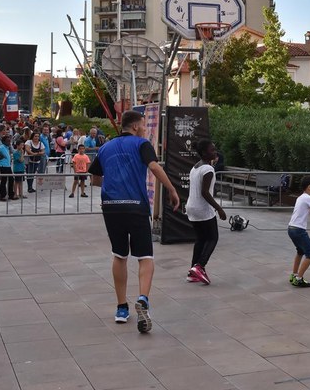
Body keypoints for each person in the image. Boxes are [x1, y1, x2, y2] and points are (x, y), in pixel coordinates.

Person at [88, 110, 179, 333]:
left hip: (111, 207)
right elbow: (155, 167)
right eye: (143, 125)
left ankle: (121, 308)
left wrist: (115, 184)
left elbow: (95, 179)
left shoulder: (105, 147)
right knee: (145, 257)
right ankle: (143, 298)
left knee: (119, 254)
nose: (145, 129)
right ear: (136, 126)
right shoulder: (141, 144)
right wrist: (171, 189)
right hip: (135, 206)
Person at [184, 139, 227, 285]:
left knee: (201, 239)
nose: (215, 152)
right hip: (202, 209)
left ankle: (192, 272)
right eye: (212, 150)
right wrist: (219, 209)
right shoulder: (208, 169)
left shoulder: (195, 167)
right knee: (212, 238)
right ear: (203, 153)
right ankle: (200, 266)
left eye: (215, 149)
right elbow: (205, 193)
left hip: (191, 207)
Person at [0, 134, 17, 201]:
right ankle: (2, 196)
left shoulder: (7, 147)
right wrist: (0, 155)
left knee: (11, 179)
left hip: (7, 165)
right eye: (7, 141)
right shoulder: (2, 147)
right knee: (4, 180)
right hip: (3, 165)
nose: (9, 142)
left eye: (9, 141)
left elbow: (13, 151)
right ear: (4, 142)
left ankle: (11, 194)